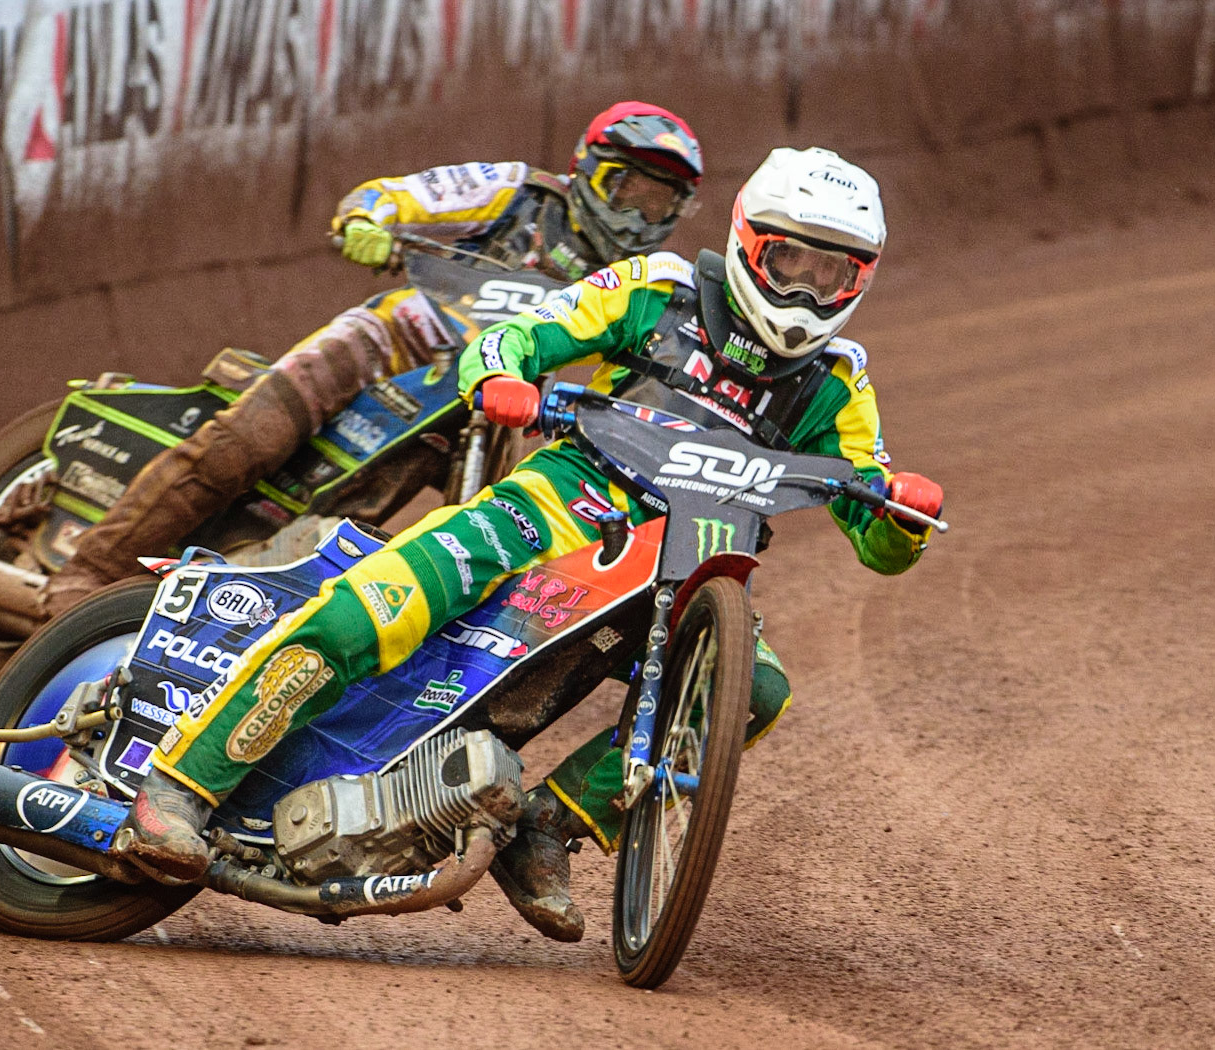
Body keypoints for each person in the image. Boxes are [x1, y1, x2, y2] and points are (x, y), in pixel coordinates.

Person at [113, 147, 946, 943]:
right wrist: (500, 375)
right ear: (747, 242)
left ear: (857, 279)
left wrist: (899, 520)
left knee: (754, 687)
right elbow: (520, 333)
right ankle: (179, 788)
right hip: (557, 505)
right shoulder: (660, 289)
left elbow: (875, 528)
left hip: (689, 559)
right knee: (374, 605)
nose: (803, 289)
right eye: (789, 261)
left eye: (829, 274)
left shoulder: (839, 381)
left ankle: (549, 822)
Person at [39, 102, 705, 618]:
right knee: (250, 440)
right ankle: (88, 574)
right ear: (588, 168)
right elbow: (399, 194)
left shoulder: (643, 280)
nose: (638, 216)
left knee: (433, 523)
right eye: (627, 189)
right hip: (390, 344)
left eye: (659, 202)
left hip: (483, 406)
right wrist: (367, 220)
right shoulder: (518, 192)